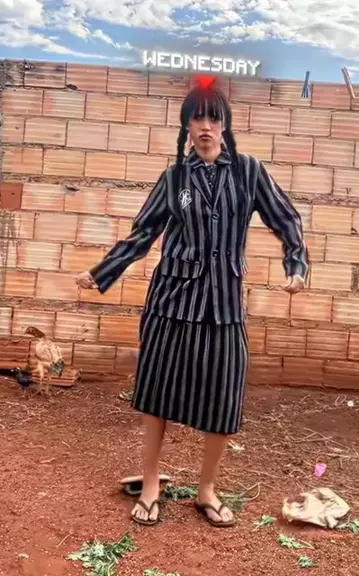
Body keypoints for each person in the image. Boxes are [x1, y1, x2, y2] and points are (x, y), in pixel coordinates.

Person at [76, 83, 308, 528]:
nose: (206, 126)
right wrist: (102, 271)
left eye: (213, 118)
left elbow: (286, 218)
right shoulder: (175, 178)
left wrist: (296, 266)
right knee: (157, 392)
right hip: (171, 301)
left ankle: (207, 490)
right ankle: (150, 485)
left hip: (224, 303)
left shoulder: (249, 171)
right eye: (197, 118)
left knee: (224, 395)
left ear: (225, 124)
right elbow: (143, 233)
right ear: (186, 125)